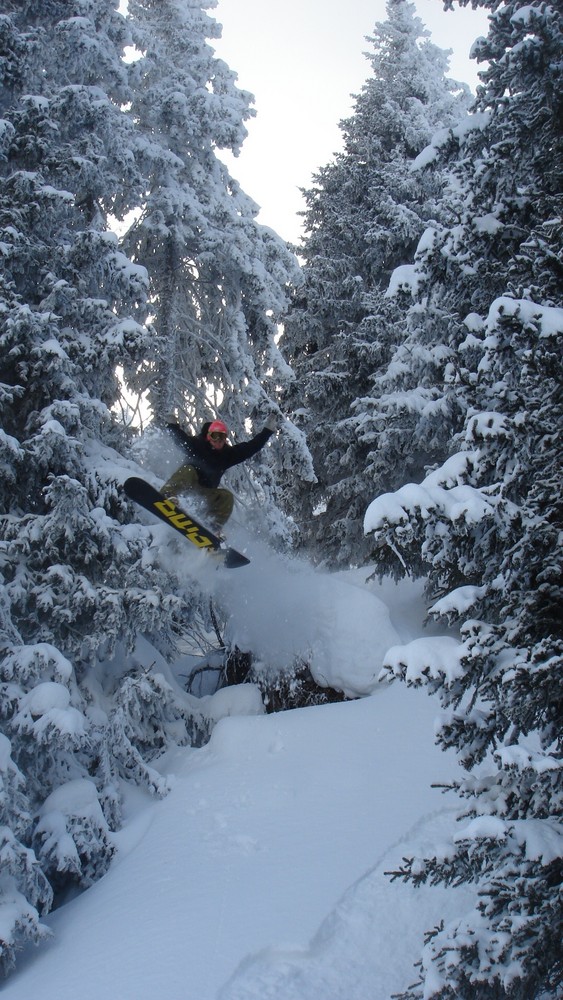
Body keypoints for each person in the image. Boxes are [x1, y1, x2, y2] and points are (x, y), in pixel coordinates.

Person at [162, 415, 278, 531]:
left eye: (222, 437)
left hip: (203, 494)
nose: (218, 441)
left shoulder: (226, 455)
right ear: (208, 436)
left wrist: (267, 431)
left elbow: (250, 448)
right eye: (215, 436)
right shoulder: (196, 445)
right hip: (186, 487)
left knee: (226, 497)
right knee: (189, 470)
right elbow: (180, 438)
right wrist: (172, 425)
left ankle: (213, 527)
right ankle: (167, 495)